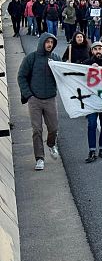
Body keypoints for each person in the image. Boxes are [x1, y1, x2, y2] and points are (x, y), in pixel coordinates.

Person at [17, 33, 60, 171]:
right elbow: (21, 76)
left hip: (50, 99)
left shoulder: (56, 58)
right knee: (37, 130)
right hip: (34, 99)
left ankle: (51, 144)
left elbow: (65, 74)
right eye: (47, 42)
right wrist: (29, 95)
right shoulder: (31, 58)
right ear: (42, 42)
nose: (49, 44)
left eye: (51, 42)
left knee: (53, 128)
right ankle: (39, 158)